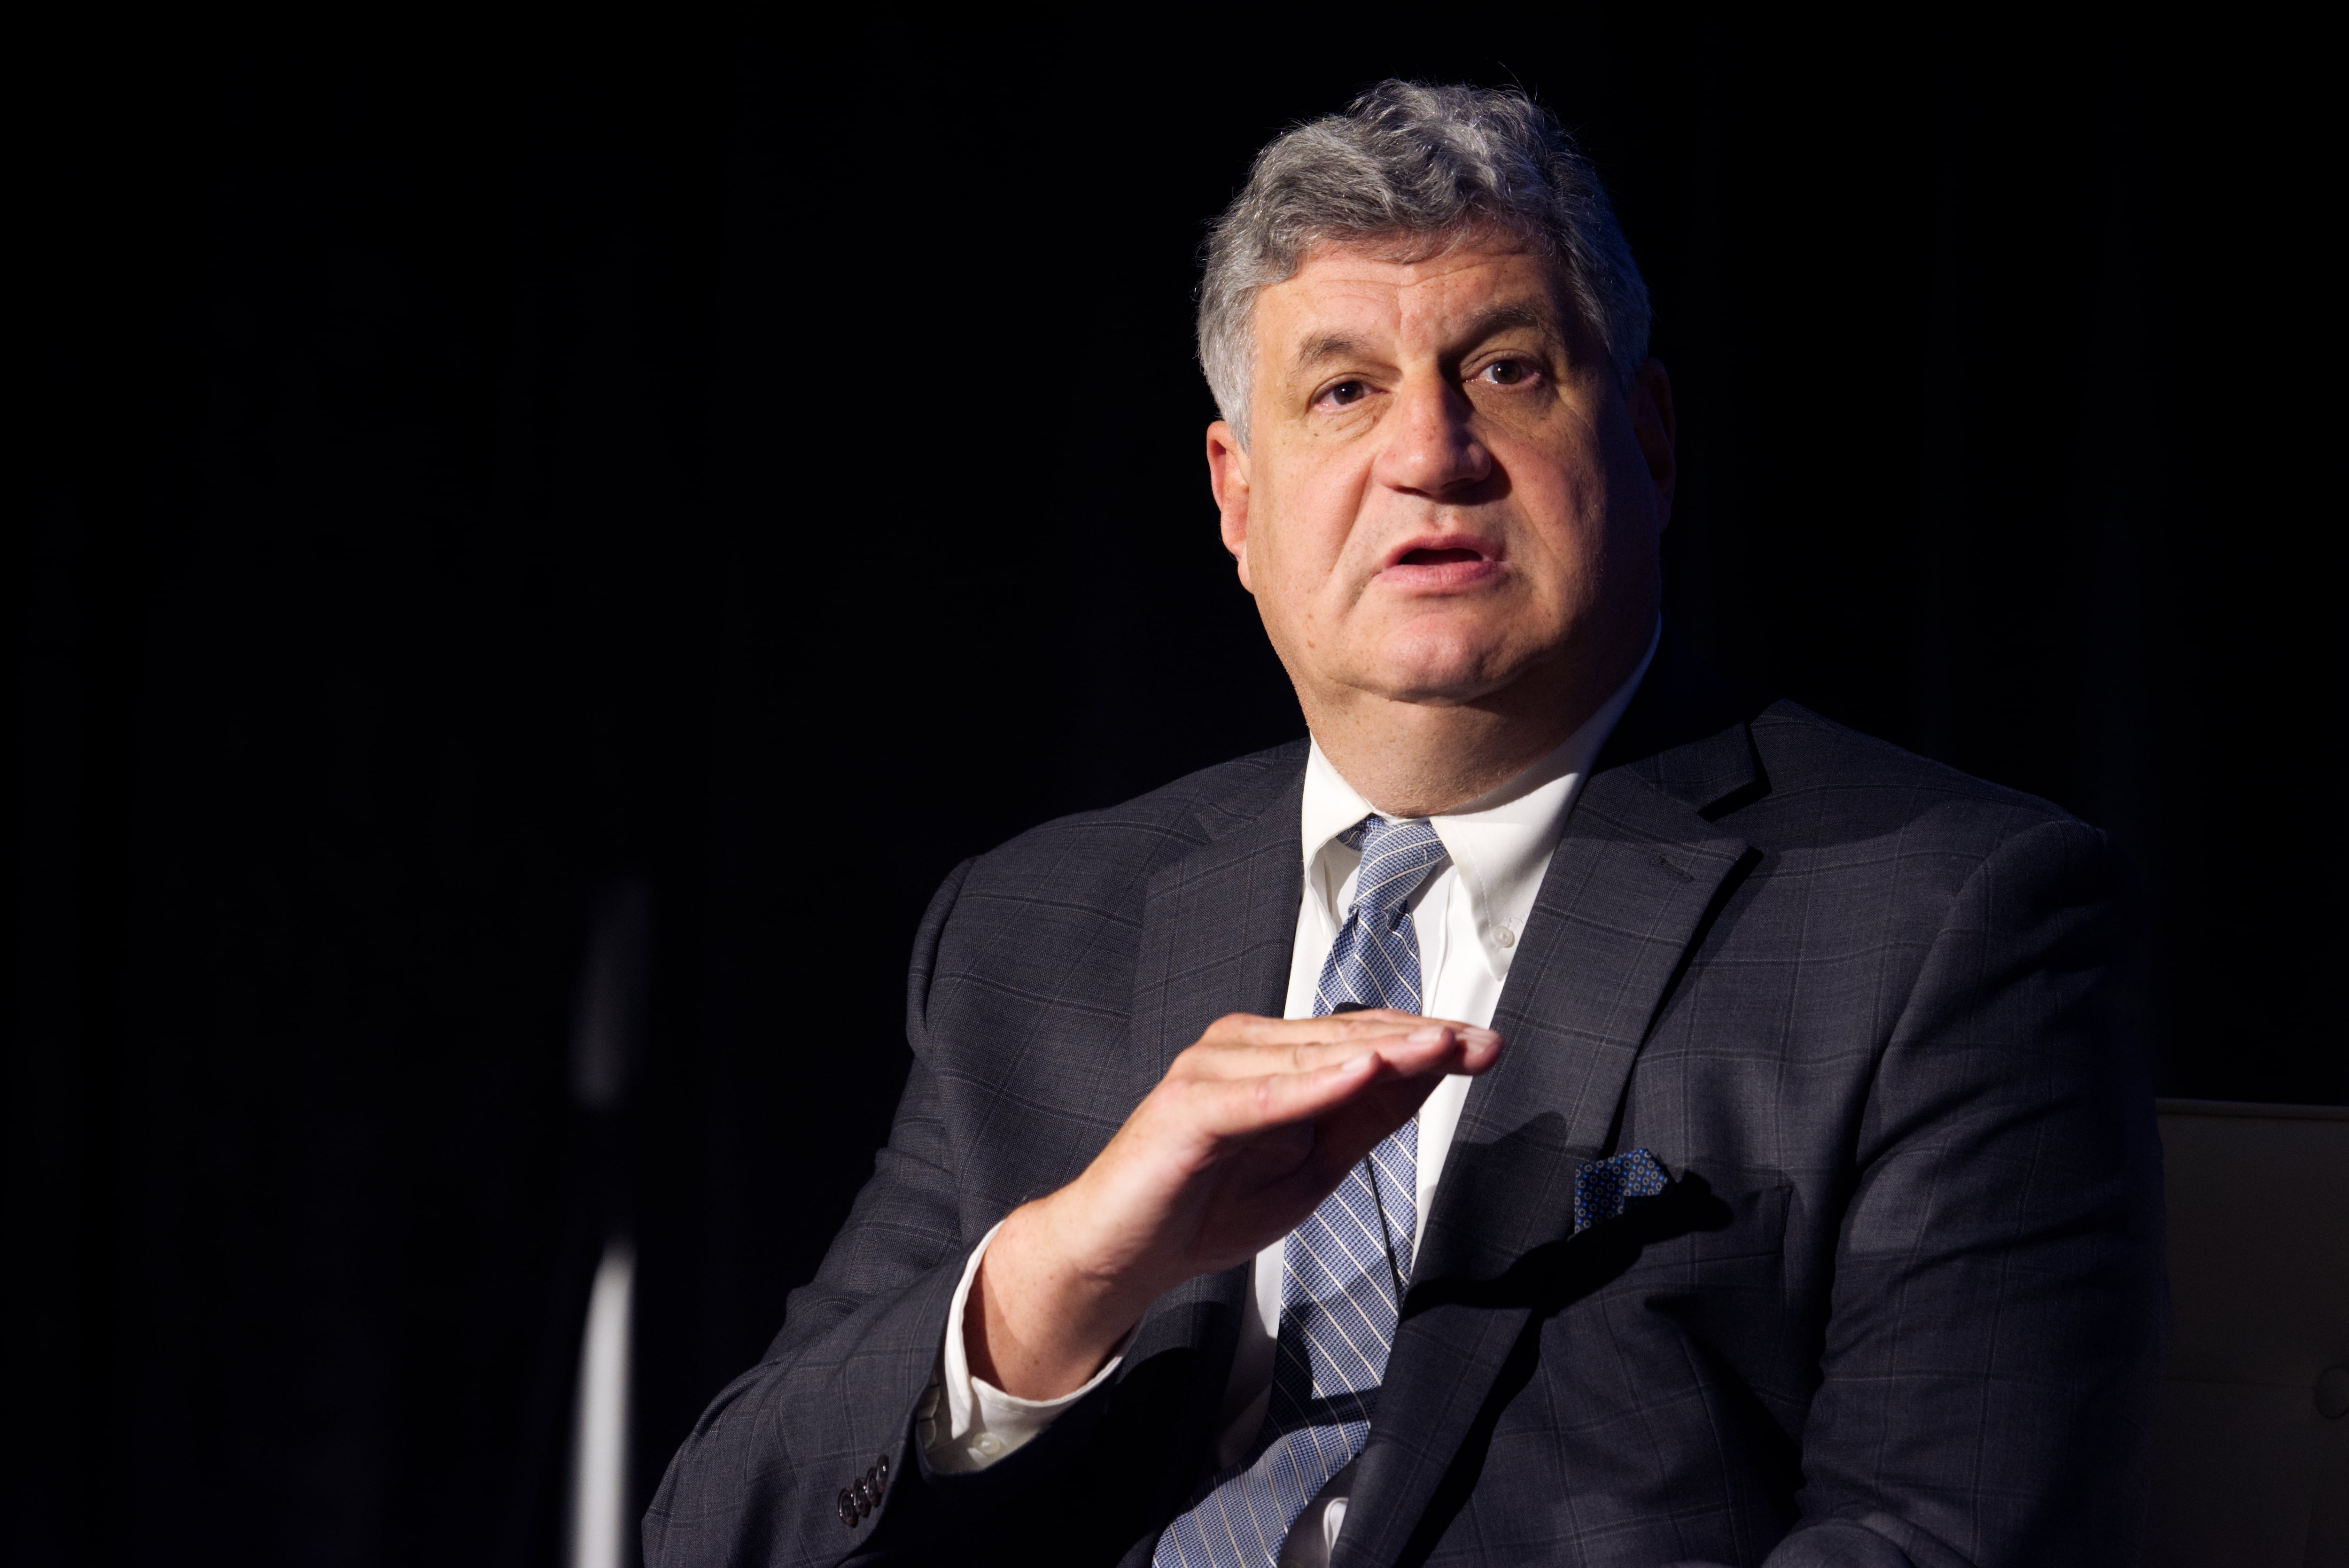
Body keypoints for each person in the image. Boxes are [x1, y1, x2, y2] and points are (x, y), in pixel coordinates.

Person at [643, 81, 2166, 1568]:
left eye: (1506, 370)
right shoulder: (1036, 927)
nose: (1430, 454)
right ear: (1238, 500)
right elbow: (723, 1527)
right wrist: (1056, 1277)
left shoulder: (1945, 914)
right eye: (1344, 390)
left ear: (1648, 438)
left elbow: (1942, 1529)